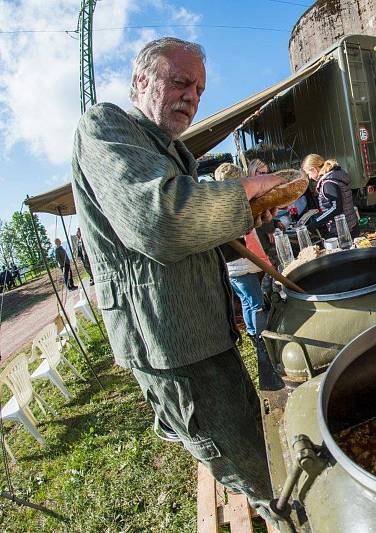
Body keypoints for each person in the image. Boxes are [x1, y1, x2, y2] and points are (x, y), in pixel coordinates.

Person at [71, 37, 286, 521]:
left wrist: (250, 213)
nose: (192, 96)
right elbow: (160, 221)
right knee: (251, 463)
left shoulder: (171, 150)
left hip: (203, 334)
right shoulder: (104, 127)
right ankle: (287, 518)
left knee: (247, 434)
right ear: (140, 81)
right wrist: (241, 190)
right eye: (180, 81)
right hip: (171, 343)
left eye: (200, 89)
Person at [213, 163, 283, 390]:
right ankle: (259, 339)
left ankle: (256, 334)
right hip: (239, 265)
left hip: (241, 265)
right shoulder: (225, 206)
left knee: (248, 300)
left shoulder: (231, 203)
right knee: (253, 302)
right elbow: (245, 239)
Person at [301, 154, 358, 236]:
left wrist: (315, 223)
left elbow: (336, 208)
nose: (309, 177)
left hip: (343, 230)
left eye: (308, 173)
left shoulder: (328, 183)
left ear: (314, 169)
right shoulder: (335, 176)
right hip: (351, 225)